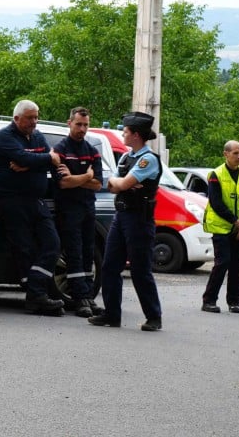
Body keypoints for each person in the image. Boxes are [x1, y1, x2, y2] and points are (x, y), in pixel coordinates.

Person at [89, 111, 163, 332]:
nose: (123, 133)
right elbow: (113, 184)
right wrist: (123, 183)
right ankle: (112, 314)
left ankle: (154, 316)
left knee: (140, 270)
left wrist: (122, 183)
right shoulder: (126, 157)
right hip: (121, 216)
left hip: (139, 219)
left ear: (137, 135)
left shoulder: (148, 159)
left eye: (126, 131)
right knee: (110, 265)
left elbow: (119, 185)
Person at [0, 99, 64, 315]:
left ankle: (35, 289)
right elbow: (27, 157)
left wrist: (30, 163)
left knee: (53, 243)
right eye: (30, 118)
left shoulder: (38, 135)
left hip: (37, 200)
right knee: (24, 249)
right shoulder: (4, 136)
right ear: (16, 119)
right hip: (13, 201)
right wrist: (40, 160)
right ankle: (36, 298)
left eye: (36, 116)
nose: (35, 121)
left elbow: (54, 160)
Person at [52, 107, 105, 318]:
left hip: (87, 208)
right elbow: (63, 183)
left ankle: (88, 297)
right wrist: (86, 176)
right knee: (73, 253)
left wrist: (78, 178)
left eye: (85, 125)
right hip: (68, 209)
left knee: (88, 252)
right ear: (69, 123)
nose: (82, 128)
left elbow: (98, 184)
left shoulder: (92, 150)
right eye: (78, 124)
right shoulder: (60, 149)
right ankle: (78, 299)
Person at [201, 140, 239, 314]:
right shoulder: (216, 174)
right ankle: (209, 300)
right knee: (222, 262)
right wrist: (235, 221)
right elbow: (216, 203)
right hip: (221, 226)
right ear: (226, 154)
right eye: (235, 153)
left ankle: (234, 301)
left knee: (235, 265)